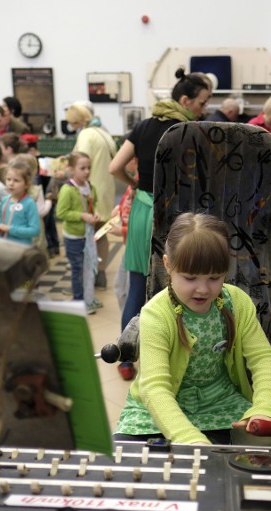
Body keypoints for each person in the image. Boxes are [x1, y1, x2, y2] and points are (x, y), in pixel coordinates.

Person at [114, 213, 271, 445]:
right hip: (156, 411)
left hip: (221, 405)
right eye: (190, 278)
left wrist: (264, 408)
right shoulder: (156, 314)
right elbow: (154, 388)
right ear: (167, 265)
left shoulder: (238, 303)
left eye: (215, 277)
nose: (203, 289)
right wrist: (190, 439)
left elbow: (263, 358)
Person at [109, 68, 210, 379]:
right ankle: (169, 360)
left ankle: (126, 359)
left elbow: (115, 167)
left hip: (142, 211)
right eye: (202, 102)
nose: (204, 109)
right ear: (185, 100)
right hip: (176, 216)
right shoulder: (189, 131)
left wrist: (136, 184)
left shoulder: (143, 126)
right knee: (176, 288)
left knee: (138, 285)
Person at [66, 101, 117, 290]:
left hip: (90, 191)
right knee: (101, 232)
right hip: (106, 189)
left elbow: (81, 162)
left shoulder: (86, 134)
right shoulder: (103, 131)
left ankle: (88, 274)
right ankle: (101, 272)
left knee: (87, 234)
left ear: (77, 120)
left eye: (71, 123)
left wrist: (65, 170)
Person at [56, 152, 102, 315]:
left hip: (88, 235)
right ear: (71, 169)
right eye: (82, 168)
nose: (87, 171)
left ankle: (88, 298)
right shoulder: (68, 190)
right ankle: (78, 301)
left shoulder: (90, 186)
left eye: (89, 168)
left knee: (89, 267)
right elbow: (61, 213)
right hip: (74, 238)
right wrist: (81, 216)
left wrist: (94, 213)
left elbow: (93, 204)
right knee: (77, 269)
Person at [0, 156, 40, 245]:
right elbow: (1, 222)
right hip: (4, 247)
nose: (11, 184)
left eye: (16, 180)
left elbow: (35, 230)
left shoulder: (29, 203)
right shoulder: (4, 200)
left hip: (21, 250)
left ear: (26, 184)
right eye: (8, 179)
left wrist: (9, 229)